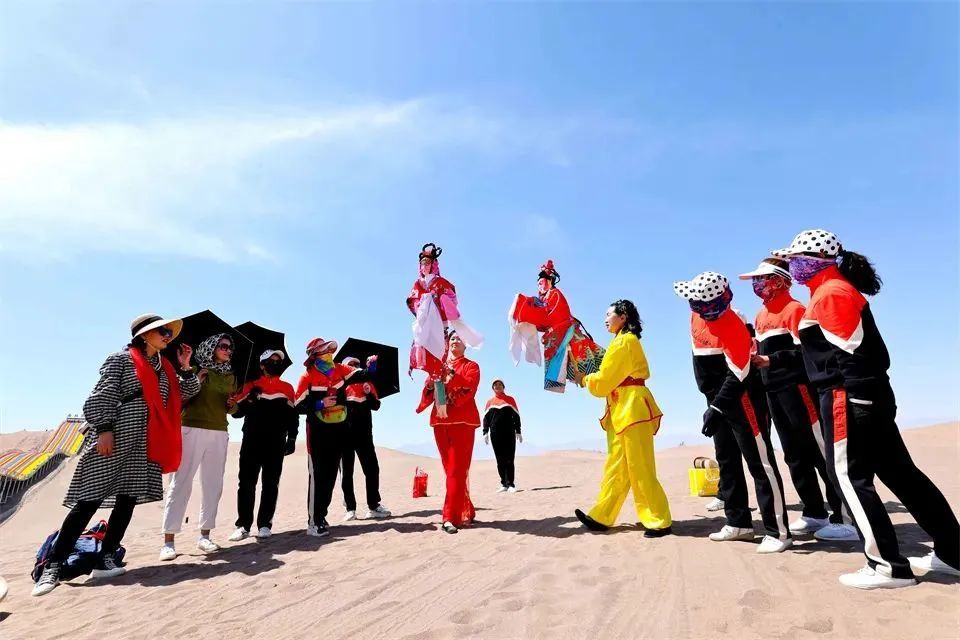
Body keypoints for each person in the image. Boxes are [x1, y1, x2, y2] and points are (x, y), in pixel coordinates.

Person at [774, 229, 960, 588]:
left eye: (795, 259)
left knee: (848, 476)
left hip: (848, 398)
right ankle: (954, 554)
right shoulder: (829, 290)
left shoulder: (830, 292)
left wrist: (858, 402)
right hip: (862, 396)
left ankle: (887, 566)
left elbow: (854, 356)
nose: (792, 266)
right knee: (903, 475)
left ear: (815, 261)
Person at [32, 314, 199, 597]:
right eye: (162, 331)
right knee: (89, 500)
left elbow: (184, 392)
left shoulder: (166, 367)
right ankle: (54, 565)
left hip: (144, 442)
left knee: (127, 500)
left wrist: (185, 367)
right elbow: (102, 394)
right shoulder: (120, 359)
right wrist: (104, 429)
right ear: (143, 335)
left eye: (169, 333)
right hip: (115, 436)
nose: (168, 337)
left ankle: (106, 558)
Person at [739, 258, 857, 542]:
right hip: (773, 392)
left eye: (762, 278)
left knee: (819, 450)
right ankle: (814, 511)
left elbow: (806, 352)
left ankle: (845, 518)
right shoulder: (760, 315)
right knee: (793, 454)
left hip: (798, 390)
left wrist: (772, 360)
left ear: (780, 280)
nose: (757, 284)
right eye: (756, 280)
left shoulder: (795, 310)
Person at [674, 272, 792, 553]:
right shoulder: (695, 318)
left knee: (760, 464)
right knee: (727, 459)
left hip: (742, 399)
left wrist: (717, 406)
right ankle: (738, 522)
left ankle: (778, 532)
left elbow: (738, 375)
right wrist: (712, 404)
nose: (693, 305)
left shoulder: (733, 326)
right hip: (716, 401)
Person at [572, 300, 672, 537]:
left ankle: (659, 519)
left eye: (609, 314)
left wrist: (584, 379)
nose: (605, 319)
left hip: (631, 408)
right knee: (617, 465)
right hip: (621, 407)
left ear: (623, 316)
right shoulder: (620, 341)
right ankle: (602, 515)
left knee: (640, 466)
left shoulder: (625, 342)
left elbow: (605, 380)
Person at [160, 332, 239, 561]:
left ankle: (205, 536)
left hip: (219, 432)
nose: (227, 350)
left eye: (230, 348)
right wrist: (196, 380)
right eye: (223, 346)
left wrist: (232, 404)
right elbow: (179, 400)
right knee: (180, 483)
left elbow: (232, 410)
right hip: (190, 429)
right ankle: (168, 541)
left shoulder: (231, 375)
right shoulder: (194, 370)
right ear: (211, 347)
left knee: (213, 484)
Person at [295, 338, 378, 537]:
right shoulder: (307, 376)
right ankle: (313, 522)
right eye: (324, 350)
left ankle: (321, 516)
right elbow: (297, 405)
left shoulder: (339, 370)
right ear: (314, 354)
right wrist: (320, 404)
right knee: (318, 476)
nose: (329, 353)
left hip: (339, 429)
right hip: (317, 432)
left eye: (329, 350)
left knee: (331, 475)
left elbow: (364, 375)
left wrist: (372, 366)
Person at [227, 350, 298, 542]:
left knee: (271, 483)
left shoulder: (287, 388)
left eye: (278, 361)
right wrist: (248, 400)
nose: (275, 363)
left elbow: (293, 417)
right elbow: (236, 413)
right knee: (246, 483)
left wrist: (292, 438)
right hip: (251, 441)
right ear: (262, 364)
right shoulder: (250, 385)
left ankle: (265, 524)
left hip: (276, 442)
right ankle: (243, 526)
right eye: (271, 361)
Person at [407, 243, 483, 418]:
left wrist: (441, 299)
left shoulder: (441, 282)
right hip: (424, 323)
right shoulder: (417, 284)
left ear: (434, 264)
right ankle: (438, 403)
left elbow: (452, 299)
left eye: (428, 263)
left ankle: (442, 404)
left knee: (438, 362)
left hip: (439, 323)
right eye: (422, 263)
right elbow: (412, 300)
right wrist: (421, 304)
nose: (424, 266)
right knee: (430, 363)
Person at [416, 332, 481, 534]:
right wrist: (432, 381)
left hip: (463, 422)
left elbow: (468, 388)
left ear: (465, 345)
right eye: (452, 338)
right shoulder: (438, 366)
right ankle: (466, 508)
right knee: (450, 470)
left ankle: (449, 517)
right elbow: (428, 393)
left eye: (459, 339)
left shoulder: (472, 366)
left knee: (456, 470)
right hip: (440, 421)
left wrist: (449, 374)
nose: (455, 341)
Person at [509, 260, 605, 392]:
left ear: (550, 281)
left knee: (589, 360)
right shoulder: (544, 298)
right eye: (538, 283)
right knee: (575, 366)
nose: (539, 286)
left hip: (566, 331)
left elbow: (553, 315)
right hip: (557, 334)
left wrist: (528, 307)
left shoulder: (555, 293)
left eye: (542, 282)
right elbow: (542, 319)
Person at [339, 356, 391, 521]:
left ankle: (374, 506)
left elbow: (376, 406)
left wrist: (368, 394)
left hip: (365, 436)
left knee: (372, 469)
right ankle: (350, 509)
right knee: (346, 473)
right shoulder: (340, 385)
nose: (355, 366)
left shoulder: (368, 384)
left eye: (357, 364)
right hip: (345, 436)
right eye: (351, 365)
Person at [482, 379, 522, 493]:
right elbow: (486, 419)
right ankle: (504, 484)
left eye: (500, 384)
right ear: (493, 388)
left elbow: (516, 416)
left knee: (509, 459)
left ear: (503, 387)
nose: (497, 386)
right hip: (495, 434)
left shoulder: (510, 400)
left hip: (509, 433)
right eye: (495, 385)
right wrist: (485, 432)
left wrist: (518, 431)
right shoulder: (490, 402)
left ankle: (511, 484)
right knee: (500, 460)